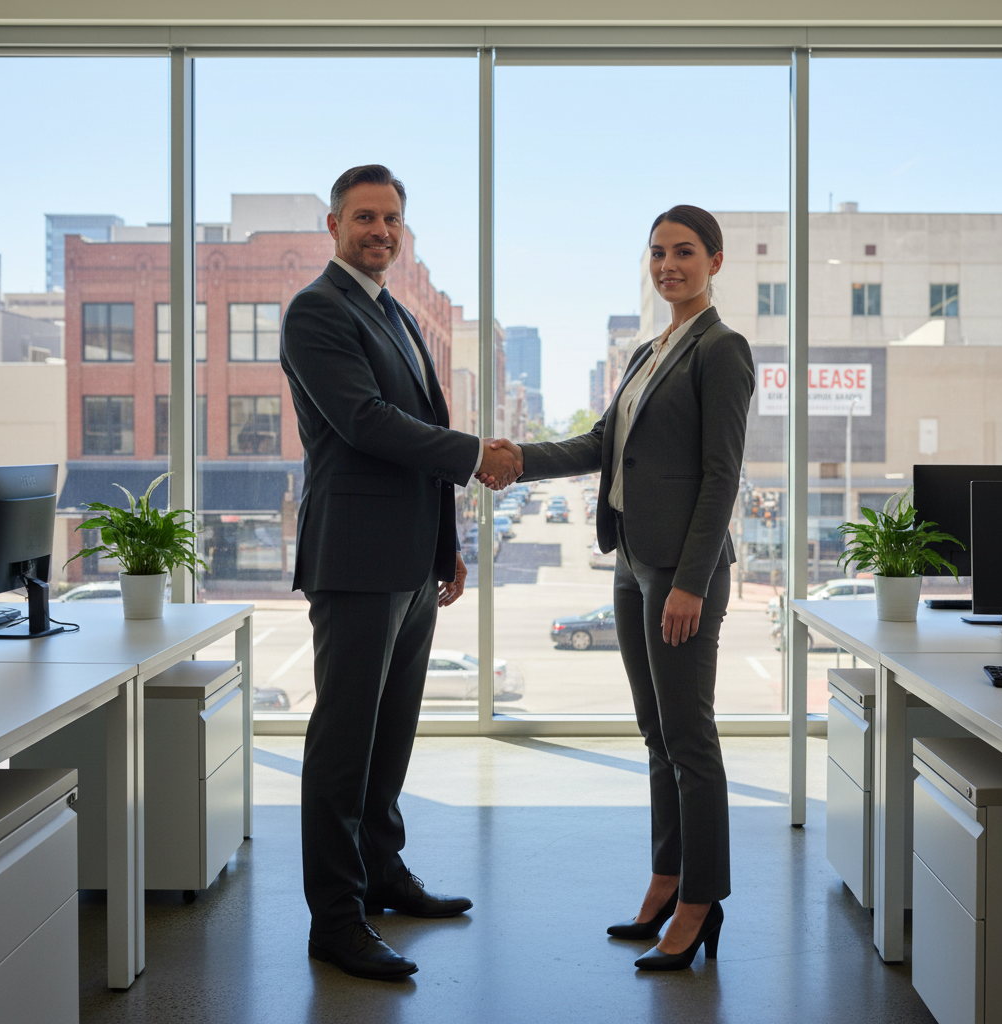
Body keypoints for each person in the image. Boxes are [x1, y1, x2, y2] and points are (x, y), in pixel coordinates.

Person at [482, 206, 754, 971]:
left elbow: (720, 476)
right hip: (632, 561)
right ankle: (667, 879)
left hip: (680, 573)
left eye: (685, 253)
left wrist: (692, 583)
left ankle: (702, 902)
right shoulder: (649, 350)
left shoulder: (722, 350)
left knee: (690, 740)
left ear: (715, 262)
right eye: (659, 253)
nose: (669, 265)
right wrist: (517, 459)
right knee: (656, 734)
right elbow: (605, 445)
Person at [280, 164, 520, 981]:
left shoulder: (396, 312)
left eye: (391, 220)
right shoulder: (318, 309)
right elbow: (365, 422)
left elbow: (418, 422)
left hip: (412, 558)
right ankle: (335, 921)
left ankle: (384, 872)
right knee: (343, 746)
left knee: (390, 739)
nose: (379, 231)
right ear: (335, 224)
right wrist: (474, 457)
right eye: (364, 218)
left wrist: (445, 545)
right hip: (354, 558)